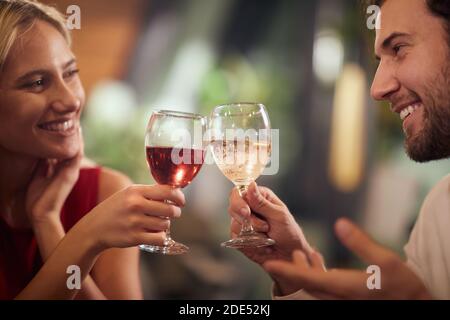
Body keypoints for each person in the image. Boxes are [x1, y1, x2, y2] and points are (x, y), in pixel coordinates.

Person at [228, 0, 450, 299]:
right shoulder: (441, 207)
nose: (377, 88)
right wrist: (297, 270)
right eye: (380, 59)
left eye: (398, 48)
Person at [0, 0, 185, 300]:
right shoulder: (104, 214)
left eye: (70, 73)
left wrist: (47, 222)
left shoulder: (104, 192)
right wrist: (87, 238)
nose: (71, 100)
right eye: (36, 82)